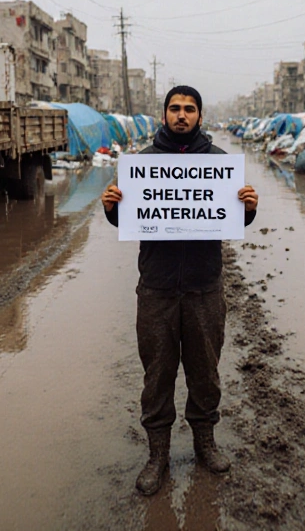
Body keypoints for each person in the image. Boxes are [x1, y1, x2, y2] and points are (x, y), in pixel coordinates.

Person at [101, 85, 259, 496]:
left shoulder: (220, 163)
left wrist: (249, 206)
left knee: (205, 371)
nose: (182, 115)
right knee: (157, 374)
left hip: (204, 288)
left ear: (200, 116)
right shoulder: (143, 164)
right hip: (156, 290)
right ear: (164, 115)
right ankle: (158, 456)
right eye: (175, 108)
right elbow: (126, 221)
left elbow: (235, 220)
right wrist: (112, 206)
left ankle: (205, 444)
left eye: (190, 109)